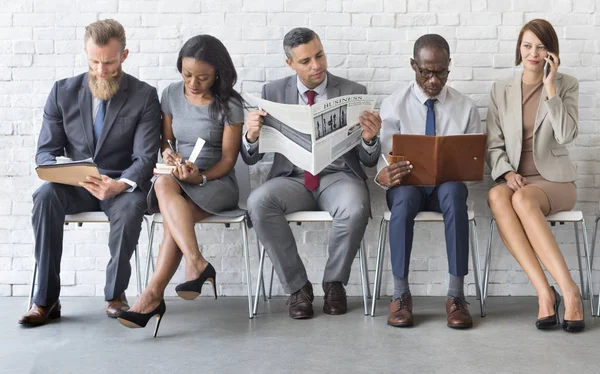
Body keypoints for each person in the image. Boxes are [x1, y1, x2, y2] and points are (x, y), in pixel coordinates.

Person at [19, 19, 161, 326]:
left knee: (131, 207)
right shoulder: (62, 92)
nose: (101, 70)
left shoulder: (144, 95)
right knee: (44, 196)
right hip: (76, 184)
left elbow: (145, 157)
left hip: (119, 185)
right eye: (94, 61)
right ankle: (44, 300)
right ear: (86, 52)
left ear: (124, 56)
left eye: (109, 62)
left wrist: (119, 184)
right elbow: (45, 151)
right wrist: (65, 171)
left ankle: (115, 296)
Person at [242, 27, 381, 319]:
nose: (316, 65)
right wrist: (251, 136)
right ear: (290, 63)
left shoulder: (354, 92)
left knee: (355, 207)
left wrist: (370, 139)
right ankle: (298, 288)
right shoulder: (272, 93)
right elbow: (252, 158)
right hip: (292, 179)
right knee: (258, 202)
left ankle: (334, 283)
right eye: (305, 61)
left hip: (339, 177)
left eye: (319, 55)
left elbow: (368, 161)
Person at [116, 35, 244, 337]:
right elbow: (165, 140)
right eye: (187, 75)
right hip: (178, 177)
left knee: (174, 219)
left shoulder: (231, 103)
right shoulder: (171, 95)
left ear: (218, 74)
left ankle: (151, 296)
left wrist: (200, 177)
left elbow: (228, 160)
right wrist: (170, 155)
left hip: (216, 181)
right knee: (163, 184)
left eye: (203, 77)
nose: (193, 83)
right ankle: (196, 263)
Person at [377, 34, 482, 329]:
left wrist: (461, 168)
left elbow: (473, 164)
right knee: (406, 197)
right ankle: (400, 295)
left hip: (446, 189)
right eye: (426, 71)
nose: (434, 80)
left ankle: (456, 297)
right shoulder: (393, 105)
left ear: (449, 67)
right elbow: (384, 161)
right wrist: (385, 175)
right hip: (407, 188)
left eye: (441, 72)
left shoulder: (466, 107)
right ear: (413, 66)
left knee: (453, 192)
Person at [486, 19, 584, 332]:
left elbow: (567, 134)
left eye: (540, 47)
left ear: (550, 52)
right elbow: (493, 144)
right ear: (519, 47)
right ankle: (545, 292)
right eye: (527, 45)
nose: (533, 53)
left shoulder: (566, 84)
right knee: (497, 196)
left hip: (556, 181)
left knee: (524, 200)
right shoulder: (500, 89)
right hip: (518, 179)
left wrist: (551, 87)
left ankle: (571, 292)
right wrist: (507, 171)